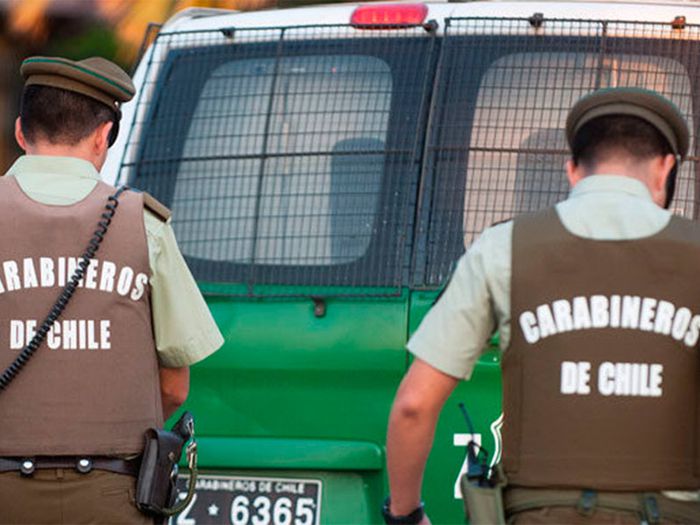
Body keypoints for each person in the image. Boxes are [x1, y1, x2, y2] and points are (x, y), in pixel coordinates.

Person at [384, 87, 700, 525]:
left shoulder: (503, 247)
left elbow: (414, 405)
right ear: (666, 169)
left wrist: (405, 515)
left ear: (572, 171)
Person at [0, 56, 224, 524]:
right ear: (103, 137)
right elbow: (173, 385)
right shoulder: (144, 226)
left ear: (21, 132)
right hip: (113, 497)